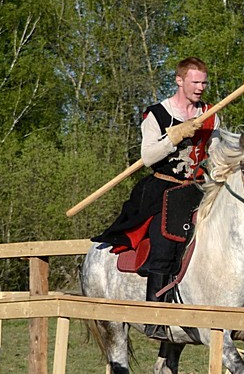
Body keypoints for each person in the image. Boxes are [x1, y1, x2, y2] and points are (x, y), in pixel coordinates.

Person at [93, 57, 220, 338]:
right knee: (164, 238)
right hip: (162, 188)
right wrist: (174, 137)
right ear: (179, 81)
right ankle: (155, 316)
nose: (200, 87)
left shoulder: (212, 113)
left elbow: (217, 153)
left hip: (198, 187)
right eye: (195, 82)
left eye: (204, 82)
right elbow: (148, 156)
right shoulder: (157, 115)